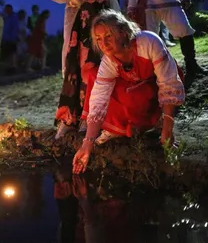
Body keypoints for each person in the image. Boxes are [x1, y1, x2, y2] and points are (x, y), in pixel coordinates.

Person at [73, 10, 185, 174]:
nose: (103, 43)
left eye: (108, 36)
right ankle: (118, 127)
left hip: (153, 90)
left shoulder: (148, 42)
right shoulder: (109, 61)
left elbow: (167, 83)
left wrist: (167, 129)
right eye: (98, 39)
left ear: (123, 32)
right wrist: (87, 144)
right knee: (96, 79)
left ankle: (155, 120)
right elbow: (98, 99)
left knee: (130, 96)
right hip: (134, 89)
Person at [45, 0, 125, 140]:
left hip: (99, 10)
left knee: (97, 63)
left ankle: (95, 116)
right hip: (75, 17)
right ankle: (72, 116)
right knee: (73, 65)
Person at [127, 0, 207, 89]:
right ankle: (153, 74)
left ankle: (191, 65)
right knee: (149, 38)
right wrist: (132, 6)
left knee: (183, 27)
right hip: (148, 0)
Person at [2, 4, 20, 72]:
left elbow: (15, 28)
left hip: (12, 38)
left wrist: (14, 37)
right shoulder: (7, 17)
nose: (6, 11)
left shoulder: (14, 17)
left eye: (7, 9)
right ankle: (10, 66)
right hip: (7, 38)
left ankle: (14, 66)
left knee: (13, 52)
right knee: (9, 53)